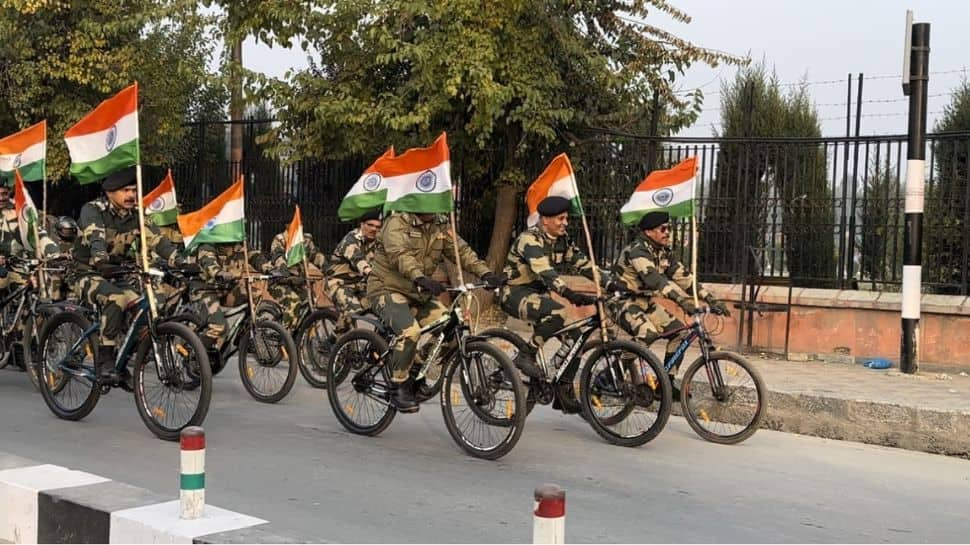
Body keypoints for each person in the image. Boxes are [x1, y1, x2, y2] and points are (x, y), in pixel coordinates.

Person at [367, 211, 504, 412]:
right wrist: (420, 277)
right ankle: (398, 386)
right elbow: (400, 255)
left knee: (450, 328)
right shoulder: (396, 222)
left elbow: (462, 252)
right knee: (410, 332)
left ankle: (416, 366)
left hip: (419, 293)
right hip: (387, 289)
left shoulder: (440, 224)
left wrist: (486, 273)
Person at [72, 167, 183, 387]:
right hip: (85, 271)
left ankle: (124, 358)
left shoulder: (137, 215)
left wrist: (180, 261)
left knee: (151, 301)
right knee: (117, 299)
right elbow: (96, 237)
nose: (131, 195)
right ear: (110, 193)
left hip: (117, 273)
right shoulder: (93, 210)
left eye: (134, 190)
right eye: (125, 191)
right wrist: (101, 260)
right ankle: (105, 359)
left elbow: (157, 241)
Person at [608, 210, 729, 398]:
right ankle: (610, 375)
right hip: (619, 301)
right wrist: (681, 301)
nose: (667, 233)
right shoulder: (638, 251)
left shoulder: (663, 252)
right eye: (663, 229)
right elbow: (655, 281)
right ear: (649, 232)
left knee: (680, 332)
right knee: (647, 333)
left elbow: (685, 278)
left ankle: (665, 383)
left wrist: (711, 299)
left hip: (643, 302)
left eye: (669, 228)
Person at [192, 240, 270, 350]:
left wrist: (270, 269)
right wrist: (219, 273)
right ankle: (197, 353)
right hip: (206, 290)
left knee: (255, 293)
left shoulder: (239, 241)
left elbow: (254, 256)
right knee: (219, 327)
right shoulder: (208, 242)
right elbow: (208, 262)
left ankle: (244, 336)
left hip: (227, 290)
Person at [324, 209, 381, 335]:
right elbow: (357, 260)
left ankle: (376, 345)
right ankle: (334, 341)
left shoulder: (378, 243)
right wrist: (369, 271)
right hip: (338, 283)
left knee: (386, 307)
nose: (373, 229)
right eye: (370, 225)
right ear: (362, 225)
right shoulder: (350, 239)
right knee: (353, 311)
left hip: (360, 285)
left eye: (378, 227)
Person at [266, 222, 327, 330]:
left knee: (311, 304)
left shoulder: (305, 240)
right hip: (280, 282)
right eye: (293, 223)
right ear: (287, 225)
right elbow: (277, 257)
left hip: (299, 282)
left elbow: (316, 255)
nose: (298, 225)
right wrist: (285, 273)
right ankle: (285, 336)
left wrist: (328, 268)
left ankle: (303, 337)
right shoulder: (280, 239)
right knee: (294, 302)